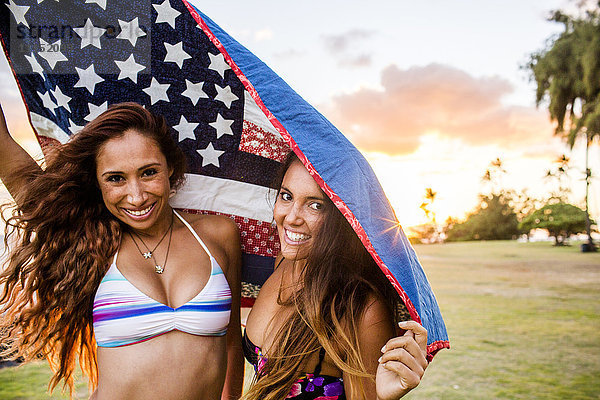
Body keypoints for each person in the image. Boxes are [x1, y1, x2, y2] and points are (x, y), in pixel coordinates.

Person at [0, 102, 244, 399]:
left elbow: (231, 343)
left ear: (170, 168)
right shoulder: (89, 243)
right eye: (116, 178)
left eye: (148, 172)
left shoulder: (218, 235)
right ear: (98, 183)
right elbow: (9, 157)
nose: (137, 196)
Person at [242, 152, 429, 400]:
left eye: (315, 205)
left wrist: (385, 396)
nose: (291, 217)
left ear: (344, 215)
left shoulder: (361, 308)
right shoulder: (283, 263)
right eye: (286, 196)